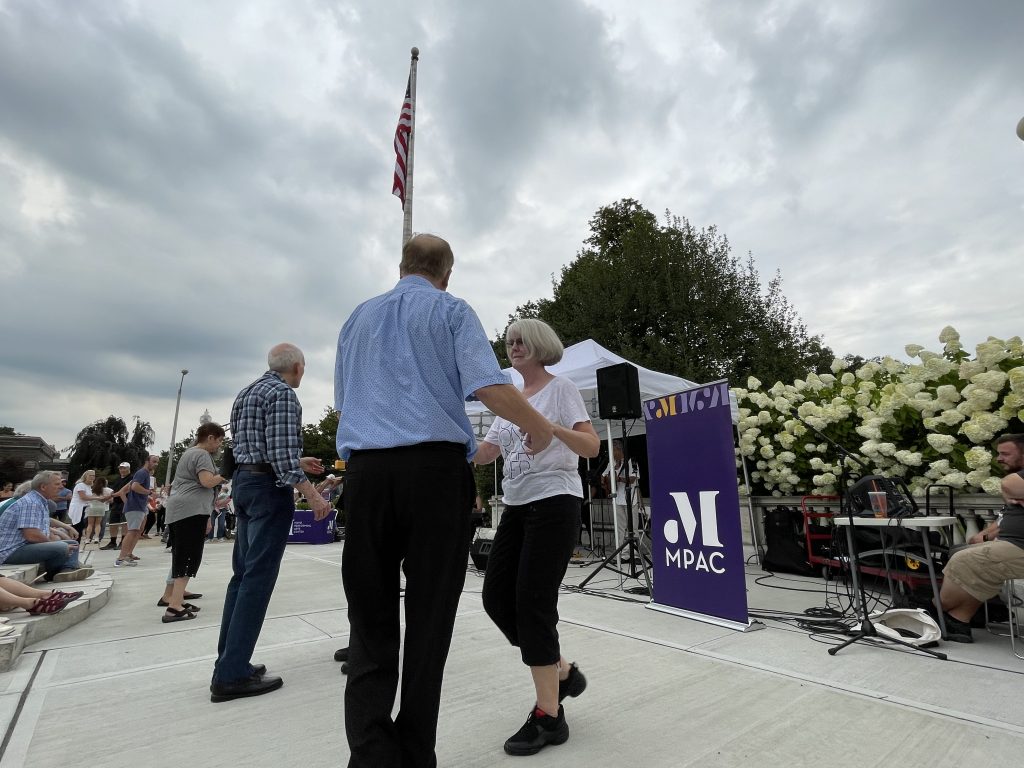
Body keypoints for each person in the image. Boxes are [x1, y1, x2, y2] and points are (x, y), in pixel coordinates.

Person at [335, 233, 554, 768]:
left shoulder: (356, 320)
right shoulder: (451, 311)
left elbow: (345, 399)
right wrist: (539, 427)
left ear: (402, 265)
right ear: (446, 273)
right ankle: (414, 756)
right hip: (433, 473)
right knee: (430, 621)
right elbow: (487, 386)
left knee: (370, 621)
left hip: (365, 474)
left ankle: (370, 756)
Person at [474, 319, 598, 756]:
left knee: (533, 604)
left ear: (541, 345)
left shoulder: (560, 389)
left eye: (522, 339)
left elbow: (591, 447)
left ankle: (550, 716)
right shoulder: (508, 399)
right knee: (496, 599)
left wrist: (548, 428)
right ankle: (562, 670)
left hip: (555, 502)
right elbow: (487, 452)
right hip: (516, 507)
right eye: (509, 341)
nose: (514, 346)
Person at [211, 343, 331, 703]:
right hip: (268, 489)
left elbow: (251, 447)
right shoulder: (283, 395)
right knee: (258, 580)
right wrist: (311, 493)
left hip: (246, 485)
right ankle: (231, 675)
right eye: (304, 367)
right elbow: (278, 456)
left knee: (242, 576)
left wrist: (298, 458)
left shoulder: (246, 392)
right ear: (296, 366)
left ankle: (230, 661)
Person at [939, 434, 1024, 642]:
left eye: (1005, 454)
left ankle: (935, 607)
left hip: (1020, 547)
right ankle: (961, 619)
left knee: (964, 560)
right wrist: (986, 535)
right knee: (959, 551)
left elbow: (1009, 484)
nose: (999, 458)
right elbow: (1006, 517)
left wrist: (1008, 488)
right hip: (1011, 543)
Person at [158, 422, 226, 623]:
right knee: (188, 557)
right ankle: (174, 607)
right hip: (190, 510)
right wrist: (226, 473)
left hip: (181, 509)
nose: (219, 446)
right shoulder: (202, 455)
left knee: (180, 554)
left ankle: (172, 596)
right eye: (219, 441)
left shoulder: (189, 452)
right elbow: (206, 482)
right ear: (210, 437)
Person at [0, 471, 93, 582]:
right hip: (11, 551)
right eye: (57, 484)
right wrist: (56, 545)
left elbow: (43, 523)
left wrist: (63, 534)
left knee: (72, 543)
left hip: (22, 546)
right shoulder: (31, 503)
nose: (61, 487)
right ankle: (58, 571)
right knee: (61, 547)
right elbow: (32, 535)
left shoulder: (38, 501)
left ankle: (66, 570)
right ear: (43, 487)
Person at [116, 455, 159, 567]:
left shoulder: (144, 474)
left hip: (138, 507)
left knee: (136, 531)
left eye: (157, 462)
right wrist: (149, 492)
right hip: (135, 507)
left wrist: (146, 496)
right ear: (147, 461)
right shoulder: (142, 473)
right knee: (132, 531)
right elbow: (134, 487)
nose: (156, 464)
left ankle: (127, 554)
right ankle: (121, 558)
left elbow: (130, 489)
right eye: (154, 461)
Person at [601, 439, 643, 551]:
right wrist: (606, 481)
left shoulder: (631, 461)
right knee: (620, 528)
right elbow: (603, 475)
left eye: (612, 451)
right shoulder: (611, 462)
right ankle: (622, 554)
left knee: (633, 528)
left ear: (618, 450)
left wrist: (618, 478)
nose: (611, 454)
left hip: (631, 499)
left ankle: (635, 553)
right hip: (617, 499)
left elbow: (633, 479)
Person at [101, 462, 132, 550]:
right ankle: (113, 542)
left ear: (129, 469)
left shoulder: (131, 478)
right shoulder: (118, 479)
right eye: (120, 468)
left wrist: (110, 496)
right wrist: (111, 497)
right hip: (116, 503)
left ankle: (123, 542)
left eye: (124, 468)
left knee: (124, 523)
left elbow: (123, 491)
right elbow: (114, 491)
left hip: (125, 502)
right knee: (113, 523)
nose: (122, 470)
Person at [67, 470, 100, 538]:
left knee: (81, 526)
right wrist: (98, 498)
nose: (92, 477)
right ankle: (74, 541)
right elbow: (83, 497)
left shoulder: (88, 486)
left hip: (84, 508)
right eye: (90, 475)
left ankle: (77, 542)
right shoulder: (80, 485)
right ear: (85, 476)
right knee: (77, 526)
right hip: (78, 508)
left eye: (93, 475)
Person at [83, 476, 112, 544]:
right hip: (101, 508)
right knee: (98, 524)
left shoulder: (91, 489)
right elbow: (111, 499)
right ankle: (96, 538)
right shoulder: (107, 490)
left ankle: (87, 538)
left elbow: (87, 498)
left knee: (90, 524)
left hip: (92, 507)